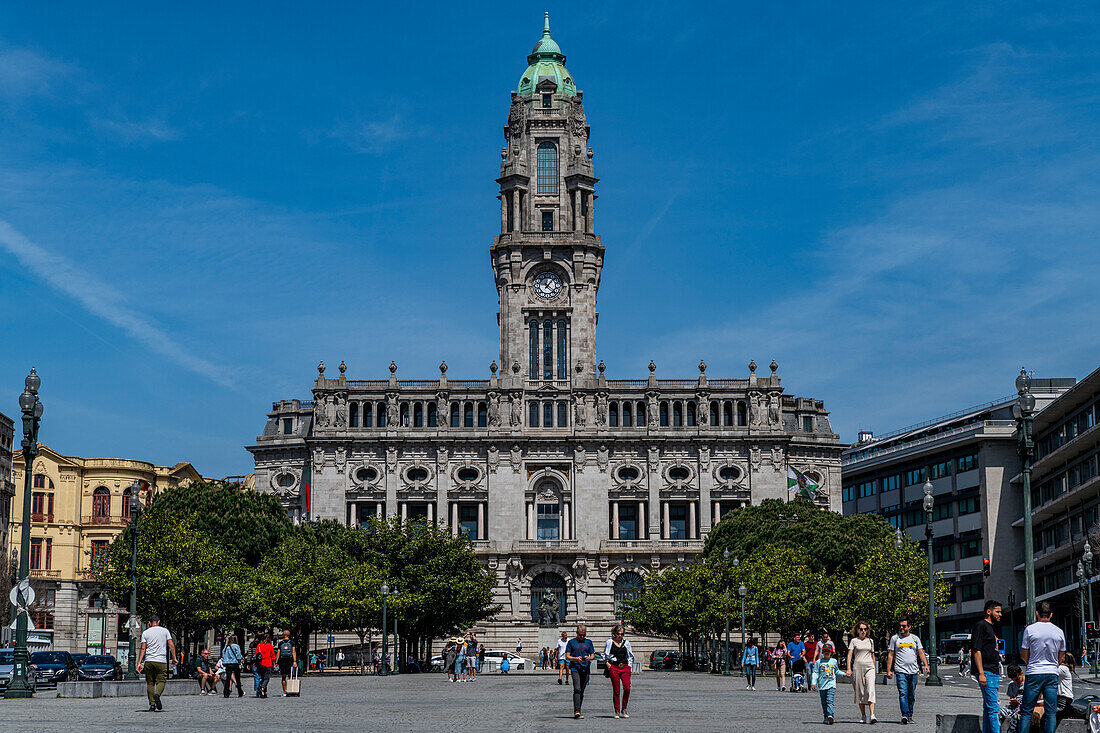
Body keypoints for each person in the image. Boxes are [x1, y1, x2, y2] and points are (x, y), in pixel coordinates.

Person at [1019, 601, 1066, 733]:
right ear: (1051, 614)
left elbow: (1024, 655)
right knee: (1051, 712)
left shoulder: (1029, 629)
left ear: (1037, 613)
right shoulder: (1059, 631)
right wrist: (1053, 664)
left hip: (1034, 672)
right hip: (1052, 673)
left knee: (1026, 711)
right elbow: (1061, 657)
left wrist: (1032, 664)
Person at [886, 618, 930, 725]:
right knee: (903, 693)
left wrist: (926, 665)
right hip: (900, 670)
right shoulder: (895, 638)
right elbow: (891, 654)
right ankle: (904, 715)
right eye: (900, 626)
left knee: (911, 695)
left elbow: (920, 652)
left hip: (913, 671)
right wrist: (888, 670)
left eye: (904, 626)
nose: (901, 628)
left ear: (909, 627)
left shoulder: (915, 639)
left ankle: (910, 715)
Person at [973, 599, 1004, 733]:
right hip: (987, 671)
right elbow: (976, 649)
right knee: (994, 708)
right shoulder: (981, 625)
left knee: (988, 707)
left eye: (1000, 612)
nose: (1000, 614)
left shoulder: (991, 627)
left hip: (992, 670)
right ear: (988, 611)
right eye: (997, 611)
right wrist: (981, 673)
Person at [136, 615, 176, 713]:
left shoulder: (145, 633)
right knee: (161, 681)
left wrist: (139, 662)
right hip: (161, 660)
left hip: (149, 660)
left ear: (149, 623)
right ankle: (157, 694)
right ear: (158, 622)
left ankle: (152, 705)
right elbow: (171, 645)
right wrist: (174, 658)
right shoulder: (165, 631)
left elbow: (143, 648)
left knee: (150, 683)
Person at [846, 620, 878, 724]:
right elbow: (849, 655)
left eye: (865, 629)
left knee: (870, 689)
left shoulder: (870, 641)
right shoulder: (853, 641)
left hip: (870, 667)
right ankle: (863, 715)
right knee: (860, 692)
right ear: (857, 630)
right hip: (857, 667)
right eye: (861, 629)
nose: (863, 631)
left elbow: (873, 655)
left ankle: (872, 714)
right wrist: (849, 669)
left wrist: (875, 669)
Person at [565, 624, 596, 719]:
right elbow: (567, 656)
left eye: (584, 635)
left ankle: (579, 709)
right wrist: (575, 658)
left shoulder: (589, 642)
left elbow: (593, 655)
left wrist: (588, 658)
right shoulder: (571, 642)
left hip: (585, 668)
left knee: (582, 691)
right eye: (580, 635)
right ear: (576, 633)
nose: (582, 637)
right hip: (575, 668)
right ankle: (576, 710)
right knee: (577, 689)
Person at [604, 625, 634, 719]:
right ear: (614, 633)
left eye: (622, 634)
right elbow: (605, 654)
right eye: (618, 634)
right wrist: (608, 664)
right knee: (616, 690)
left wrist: (629, 666)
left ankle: (624, 708)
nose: (620, 636)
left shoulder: (626, 643)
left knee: (627, 688)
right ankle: (617, 710)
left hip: (625, 667)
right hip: (615, 668)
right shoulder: (610, 642)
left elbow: (630, 655)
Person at [811, 642, 841, 725]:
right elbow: (815, 672)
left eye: (828, 651)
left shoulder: (834, 661)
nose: (827, 652)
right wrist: (813, 683)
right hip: (822, 685)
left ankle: (830, 715)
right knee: (824, 702)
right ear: (822, 652)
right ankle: (825, 716)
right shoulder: (818, 662)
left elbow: (837, 671)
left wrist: (844, 674)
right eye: (825, 651)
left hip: (831, 685)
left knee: (829, 700)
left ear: (831, 652)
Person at [221, 634, 244, 698]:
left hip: (228, 664)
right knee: (237, 678)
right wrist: (239, 661)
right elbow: (238, 656)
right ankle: (240, 692)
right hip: (235, 663)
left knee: (228, 679)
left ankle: (226, 692)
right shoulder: (236, 646)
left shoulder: (226, 647)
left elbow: (223, 655)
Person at [276, 629, 297, 696]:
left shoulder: (280, 643)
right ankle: (290, 690)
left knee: (283, 677)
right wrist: (294, 661)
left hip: (282, 660)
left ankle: (284, 691)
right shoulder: (292, 643)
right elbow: (293, 652)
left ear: (283, 635)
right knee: (290, 676)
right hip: (290, 660)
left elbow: (278, 653)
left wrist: (276, 662)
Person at [255, 633, 276, 698]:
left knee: (263, 678)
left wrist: (255, 664)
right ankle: (262, 688)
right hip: (267, 664)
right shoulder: (269, 646)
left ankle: (264, 692)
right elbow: (273, 656)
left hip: (260, 664)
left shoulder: (259, 645)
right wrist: (274, 664)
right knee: (266, 679)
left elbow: (256, 655)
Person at [1056, 654, 1075, 723]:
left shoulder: (1062, 668)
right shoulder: (1064, 668)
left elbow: (1049, 671)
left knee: (1050, 716)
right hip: (1063, 698)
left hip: (1063, 698)